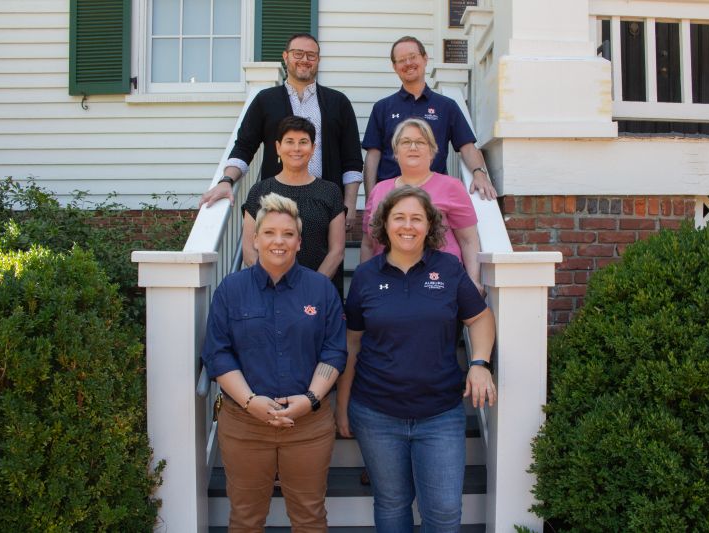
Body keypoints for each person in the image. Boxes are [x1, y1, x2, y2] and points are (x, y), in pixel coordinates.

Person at [336, 186, 497, 532]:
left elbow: (480, 318)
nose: (407, 226)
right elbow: (351, 343)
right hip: (376, 413)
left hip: (439, 414)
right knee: (392, 505)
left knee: (442, 514)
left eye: (416, 218)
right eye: (399, 217)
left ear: (429, 225)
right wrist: (342, 403)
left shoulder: (449, 269)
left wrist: (479, 364)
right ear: (384, 224)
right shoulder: (365, 276)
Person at [202, 193, 347, 531]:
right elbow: (218, 352)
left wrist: (310, 400)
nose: (278, 241)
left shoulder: (320, 290)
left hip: (308, 426)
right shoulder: (231, 290)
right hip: (244, 425)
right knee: (246, 518)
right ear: (255, 238)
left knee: (310, 516)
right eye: (269, 233)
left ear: (299, 242)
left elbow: (334, 351)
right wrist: (250, 402)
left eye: (287, 234)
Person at [200, 33, 364, 230]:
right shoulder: (265, 100)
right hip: (276, 202)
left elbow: (352, 158)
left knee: (325, 258)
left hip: (326, 204)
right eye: (298, 53)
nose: (305, 59)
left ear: (318, 60)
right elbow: (244, 146)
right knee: (277, 254)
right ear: (285, 57)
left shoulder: (338, 102)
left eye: (311, 55)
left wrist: (350, 204)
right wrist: (226, 180)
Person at [362, 35, 497, 201]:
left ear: (425, 59)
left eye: (413, 57)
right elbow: (372, 157)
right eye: (402, 60)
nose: (408, 63)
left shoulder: (447, 106)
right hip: (391, 196)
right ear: (395, 67)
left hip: (435, 196)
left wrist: (479, 173)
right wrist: (371, 200)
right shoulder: (382, 108)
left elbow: (467, 147)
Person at [361, 118, 482, 293]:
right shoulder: (379, 189)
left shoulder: (451, 186)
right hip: (386, 283)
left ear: (432, 152)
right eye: (406, 142)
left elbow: (468, 240)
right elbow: (368, 243)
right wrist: (365, 281)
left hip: (438, 283)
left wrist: (474, 282)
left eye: (420, 142)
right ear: (396, 152)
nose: (413, 147)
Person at [241, 116, 345, 293]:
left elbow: (336, 251)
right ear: (278, 147)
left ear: (313, 149)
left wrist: (311, 288)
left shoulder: (330, 191)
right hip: (268, 290)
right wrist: (272, 284)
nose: (296, 148)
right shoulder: (260, 190)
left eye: (303, 142)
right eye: (289, 141)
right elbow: (249, 249)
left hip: (315, 292)